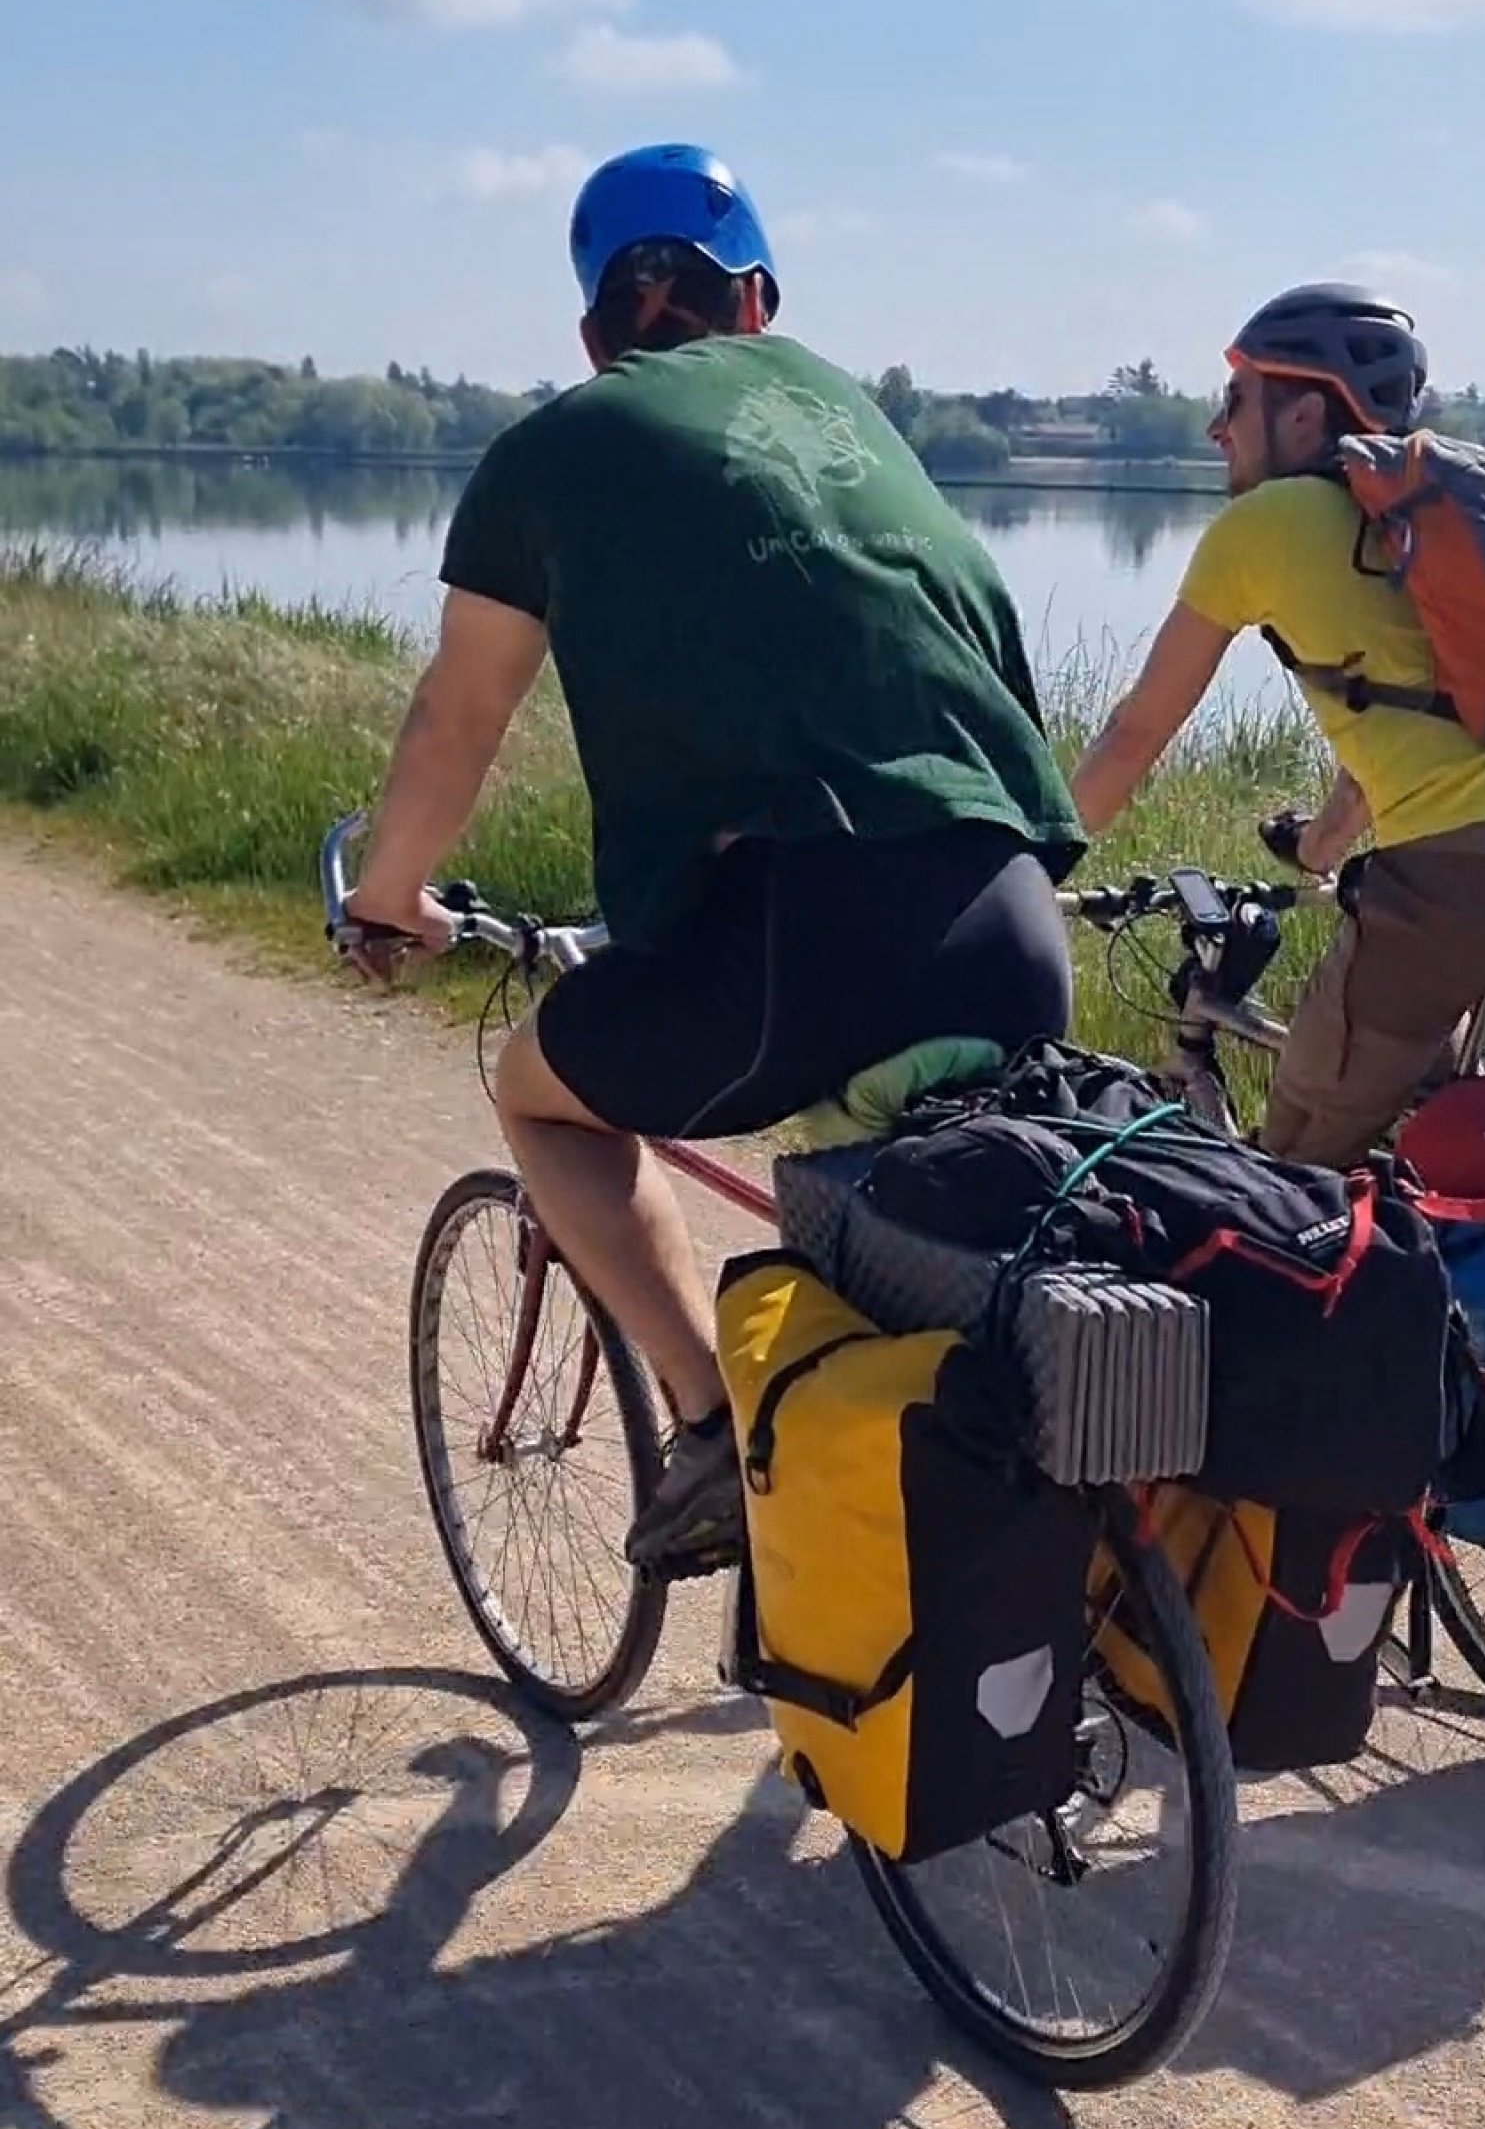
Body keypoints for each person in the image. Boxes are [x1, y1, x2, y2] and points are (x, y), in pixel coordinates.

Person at [344, 143, 1082, 1572]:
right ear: (760, 301)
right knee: (937, 1248)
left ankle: (709, 1428)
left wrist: (389, 896)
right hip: (1010, 920)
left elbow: (461, 714)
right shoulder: (849, 414)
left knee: (542, 1095)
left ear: (593, 332)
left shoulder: (557, 448)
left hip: (802, 947)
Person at [1070, 284, 1485, 1167]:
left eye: (1235, 400)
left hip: (1470, 873)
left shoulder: (1265, 524)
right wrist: (1320, 845)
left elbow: (1134, 735)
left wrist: (1035, 863)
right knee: (1412, 1106)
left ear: (1303, 414)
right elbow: (1421, 708)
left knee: (1300, 1155)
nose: (1215, 428)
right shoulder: (1432, 521)